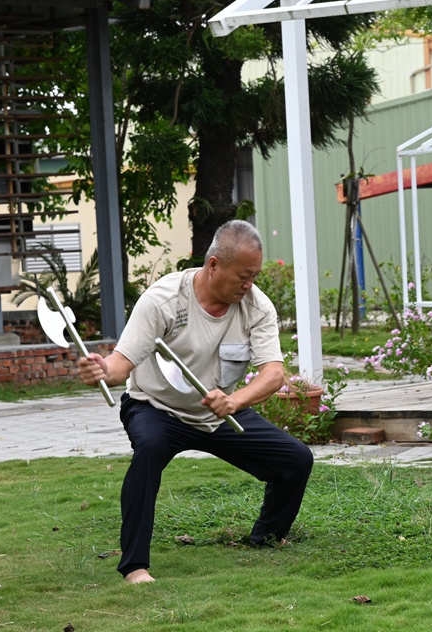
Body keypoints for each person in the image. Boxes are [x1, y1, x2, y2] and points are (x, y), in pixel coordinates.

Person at [77, 220, 313, 583]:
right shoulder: (163, 299)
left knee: (296, 460)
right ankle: (135, 566)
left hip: (219, 413)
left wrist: (233, 402)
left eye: (254, 276)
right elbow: (119, 367)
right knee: (149, 452)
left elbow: (273, 375)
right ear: (214, 264)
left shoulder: (257, 306)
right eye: (243, 276)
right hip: (156, 408)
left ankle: (266, 538)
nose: (249, 285)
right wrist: (100, 370)